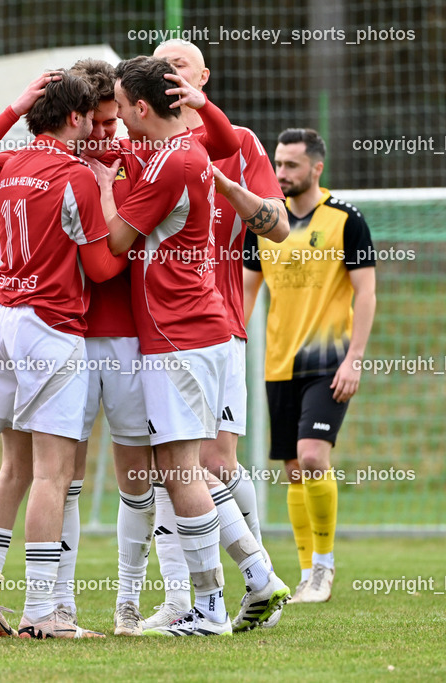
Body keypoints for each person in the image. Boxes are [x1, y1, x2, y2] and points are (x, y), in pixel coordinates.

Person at [96, 55, 284, 637]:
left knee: (183, 471)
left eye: (122, 108)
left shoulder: (173, 164)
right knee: (187, 468)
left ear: (142, 108)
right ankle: (255, 577)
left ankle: (209, 608)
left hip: (178, 334)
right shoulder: (182, 153)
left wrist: (104, 189)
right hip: (192, 331)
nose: (119, 119)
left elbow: (116, 245)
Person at [0, 70, 126, 639]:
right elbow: (101, 269)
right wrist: (129, 222)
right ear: (75, 118)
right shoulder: (74, 175)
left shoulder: (13, 164)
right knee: (54, 473)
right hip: (51, 325)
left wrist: (12, 106)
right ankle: (43, 614)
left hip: (2, 320)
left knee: (14, 469)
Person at [144, 39, 292, 633]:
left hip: (218, 323)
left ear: (204, 75)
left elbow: (278, 227)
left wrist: (229, 186)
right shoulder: (147, 141)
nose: (169, 75)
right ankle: (186, 597)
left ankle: (257, 581)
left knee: (211, 462)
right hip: (157, 329)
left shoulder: (239, 143)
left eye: (179, 65)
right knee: (168, 465)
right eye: (160, 67)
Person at [244, 128, 377, 604]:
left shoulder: (346, 219)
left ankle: (323, 568)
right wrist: (229, 343)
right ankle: (305, 574)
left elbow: (366, 291)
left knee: (315, 456)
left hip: (329, 363)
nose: (282, 173)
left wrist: (355, 359)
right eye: (278, 164)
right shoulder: (263, 221)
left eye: (292, 165)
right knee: (296, 469)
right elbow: (246, 289)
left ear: (316, 168)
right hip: (278, 364)